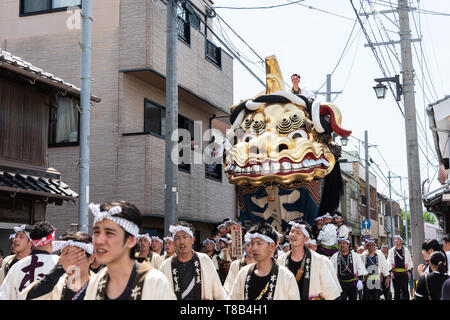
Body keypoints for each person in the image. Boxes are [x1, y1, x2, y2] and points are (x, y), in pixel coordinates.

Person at [84, 201, 175, 300]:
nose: (99, 240)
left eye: (109, 233)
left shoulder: (155, 282)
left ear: (131, 240)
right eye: (96, 232)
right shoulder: (95, 282)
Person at [229, 223, 300, 300]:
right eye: (252, 243)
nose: (254, 248)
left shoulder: (286, 276)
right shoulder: (244, 273)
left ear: (272, 246)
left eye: (259, 243)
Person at [160, 222, 226, 300]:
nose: (181, 242)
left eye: (185, 237)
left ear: (192, 240)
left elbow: (218, 291)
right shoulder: (165, 266)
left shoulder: (204, 260)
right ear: (174, 242)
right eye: (177, 238)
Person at [277, 219, 341, 300]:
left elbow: (331, 293)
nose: (293, 235)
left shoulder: (320, 261)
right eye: (292, 231)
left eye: (298, 233)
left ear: (306, 239)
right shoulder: (280, 260)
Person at [21, 231, 94, 300]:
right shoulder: (54, 282)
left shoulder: (99, 284)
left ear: (91, 258)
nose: (70, 261)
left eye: (75, 257)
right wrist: (59, 269)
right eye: (66, 256)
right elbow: (30, 296)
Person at [0, 222, 59, 300]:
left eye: (21, 237)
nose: (16, 239)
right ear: (51, 243)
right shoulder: (59, 264)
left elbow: (4, 295)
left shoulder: (16, 267)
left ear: (30, 243)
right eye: (16, 236)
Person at [387, 235, 413, 300]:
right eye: (395, 239)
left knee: (405, 290)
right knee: (396, 291)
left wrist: (409, 271)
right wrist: (390, 272)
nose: (396, 241)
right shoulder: (391, 251)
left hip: (404, 273)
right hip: (395, 273)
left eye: (397, 239)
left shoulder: (406, 250)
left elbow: (409, 261)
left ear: (401, 241)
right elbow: (389, 262)